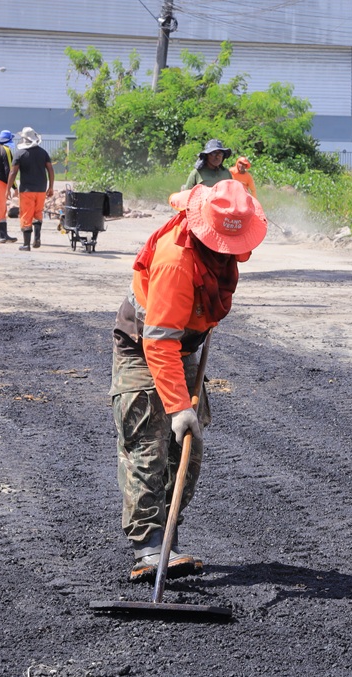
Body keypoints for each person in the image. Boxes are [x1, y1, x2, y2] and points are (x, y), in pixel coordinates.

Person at [111, 180, 267, 583]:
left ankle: (169, 534)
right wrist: (178, 406)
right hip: (146, 344)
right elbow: (159, 342)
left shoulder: (212, 215)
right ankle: (149, 545)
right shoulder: (176, 261)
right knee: (149, 444)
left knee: (188, 449)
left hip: (183, 342)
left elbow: (184, 197)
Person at [5, 127, 54, 252]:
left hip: (27, 190)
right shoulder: (43, 153)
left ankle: (26, 244)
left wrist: (8, 189)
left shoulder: (20, 154)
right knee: (38, 213)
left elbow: (13, 172)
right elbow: (50, 169)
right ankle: (37, 238)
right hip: (41, 189)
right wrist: (51, 187)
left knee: (26, 215)